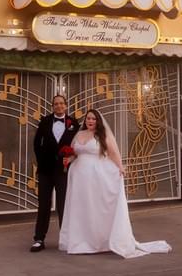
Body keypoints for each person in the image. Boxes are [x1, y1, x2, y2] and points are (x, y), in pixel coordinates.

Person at [58, 108, 171, 258]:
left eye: (93, 119)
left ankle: (99, 242)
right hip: (79, 179)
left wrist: (120, 168)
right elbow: (76, 153)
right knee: (81, 208)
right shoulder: (79, 134)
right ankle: (80, 240)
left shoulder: (102, 136)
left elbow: (113, 153)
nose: (90, 121)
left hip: (96, 177)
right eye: (88, 118)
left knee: (95, 208)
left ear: (98, 121)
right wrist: (69, 159)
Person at [31, 93, 78, 252]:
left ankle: (65, 239)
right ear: (53, 106)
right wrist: (41, 160)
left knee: (63, 205)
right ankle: (39, 239)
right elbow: (37, 143)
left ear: (65, 105)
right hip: (45, 170)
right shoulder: (45, 121)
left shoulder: (74, 123)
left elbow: (77, 145)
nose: (58, 106)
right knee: (43, 204)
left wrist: (70, 159)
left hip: (63, 171)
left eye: (61, 103)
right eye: (55, 104)